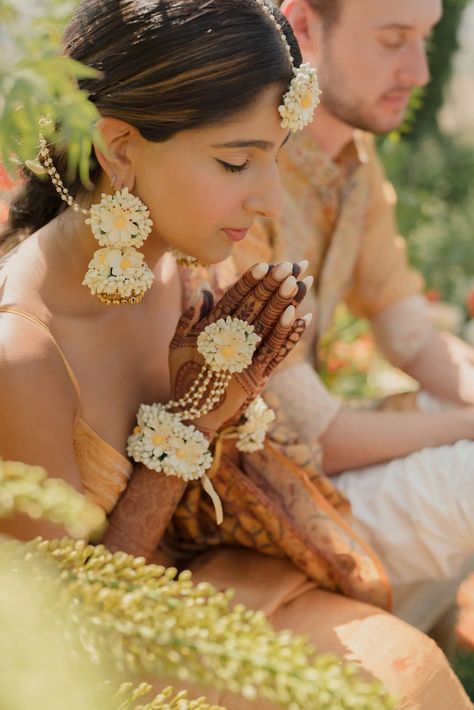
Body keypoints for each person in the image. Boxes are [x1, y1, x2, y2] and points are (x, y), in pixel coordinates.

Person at [0, 0, 470, 707]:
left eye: (275, 160)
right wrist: (186, 426)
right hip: (118, 661)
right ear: (119, 147)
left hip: (217, 581)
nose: (271, 202)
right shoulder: (23, 355)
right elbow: (67, 639)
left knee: (410, 670)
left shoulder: (180, 271)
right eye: (236, 161)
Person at [231, 0, 474, 634]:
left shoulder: (355, 166)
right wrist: (467, 423)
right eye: (394, 40)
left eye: (425, 40)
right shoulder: (238, 171)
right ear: (305, 26)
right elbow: (318, 434)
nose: (419, 71)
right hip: (252, 494)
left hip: (316, 458)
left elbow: (410, 333)